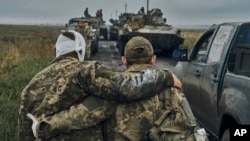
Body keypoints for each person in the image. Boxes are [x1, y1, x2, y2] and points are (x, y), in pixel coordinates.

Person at [18, 31, 181, 141]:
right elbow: (123, 87)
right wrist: (164, 75)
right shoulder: (85, 71)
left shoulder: (29, 88)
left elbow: (24, 133)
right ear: (153, 59)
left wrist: (44, 128)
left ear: (124, 60)